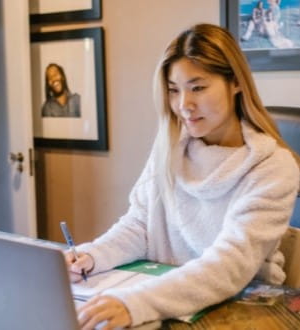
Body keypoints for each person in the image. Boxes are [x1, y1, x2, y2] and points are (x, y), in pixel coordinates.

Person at [65, 23, 300, 329]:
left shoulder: (273, 167)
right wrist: (92, 256)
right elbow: (140, 226)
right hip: (170, 303)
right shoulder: (170, 148)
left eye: (198, 87)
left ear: (236, 83)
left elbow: (228, 266)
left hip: (240, 311)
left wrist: (136, 302)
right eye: (174, 90)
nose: (184, 105)